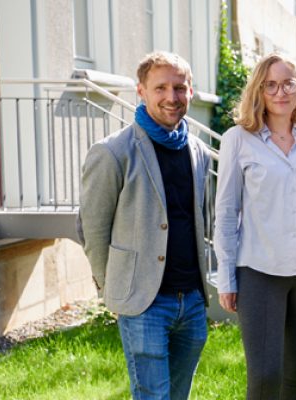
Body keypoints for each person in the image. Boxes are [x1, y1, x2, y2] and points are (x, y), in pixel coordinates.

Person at [78, 51, 211, 400]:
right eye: (160, 88)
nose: (171, 97)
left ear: (191, 91)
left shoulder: (198, 150)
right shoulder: (112, 152)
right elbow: (92, 229)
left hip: (192, 300)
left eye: (179, 88)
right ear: (141, 91)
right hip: (143, 303)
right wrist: (112, 289)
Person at [213, 54, 296, 399]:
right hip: (259, 271)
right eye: (270, 85)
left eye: (288, 83)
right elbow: (226, 211)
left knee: (295, 376)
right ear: (258, 90)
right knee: (264, 376)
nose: (280, 92)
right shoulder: (238, 139)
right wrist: (227, 277)